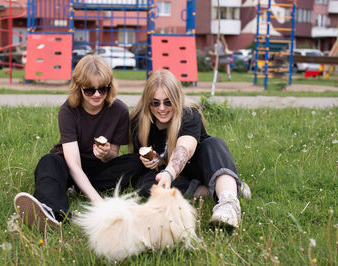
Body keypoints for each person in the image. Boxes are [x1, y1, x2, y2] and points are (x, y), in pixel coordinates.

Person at [14, 55, 144, 231]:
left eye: (103, 89)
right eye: (90, 90)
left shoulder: (119, 110)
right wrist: (98, 201)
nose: (97, 95)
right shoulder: (68, 110)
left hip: (98, 169)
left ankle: (80, 188)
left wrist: (106, 154)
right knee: (48, 162)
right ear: (79, 88)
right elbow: (73, 164)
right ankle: (52, 211)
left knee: (136, 161)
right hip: (69, 165)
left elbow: (114, 153)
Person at [130, 69, 242, 228]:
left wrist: (169, 172)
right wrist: (157, 161)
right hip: (175, 178)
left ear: (177, 99)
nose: (161, 108)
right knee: (145, 184)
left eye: (168, 102)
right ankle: (219, 187)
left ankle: (228, 202)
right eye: (155, 102)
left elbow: (184, 148)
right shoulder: (138, 121)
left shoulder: (188, 114)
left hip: (200, 167)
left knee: (213, 144)